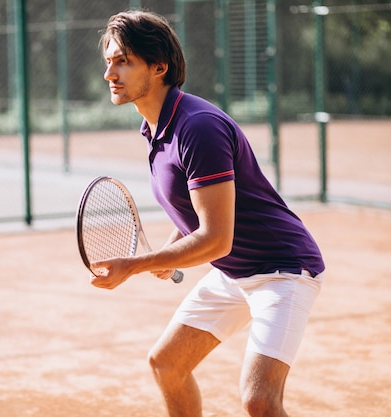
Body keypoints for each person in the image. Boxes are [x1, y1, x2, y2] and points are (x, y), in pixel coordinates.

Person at [92, 10, 325, 417]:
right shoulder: (155, 127)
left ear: (159, 66)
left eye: (124, 60)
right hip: (235, 273)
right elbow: (195, 209)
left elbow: (217, 238)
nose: (111, 72)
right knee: (167, 365)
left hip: (283, 270)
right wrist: (170, 247)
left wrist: (136, 265)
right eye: (109, 61)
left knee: (259, 401)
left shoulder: (197, 127)